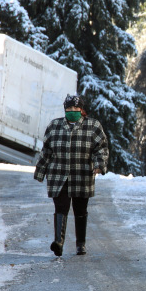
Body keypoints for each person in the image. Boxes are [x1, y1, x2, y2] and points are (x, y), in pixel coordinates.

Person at [34, 94, 108, 256]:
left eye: (75, 108)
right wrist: (40, 171)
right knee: (61, 207)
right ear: (64, 110)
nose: (72, 111)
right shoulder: (54, 126)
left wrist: (98, 165)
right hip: (58, 175)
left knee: (80, 209)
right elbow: (46, 151)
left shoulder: (93, 126)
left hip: (82, 175)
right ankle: (59, 242)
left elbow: (101, 148)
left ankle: (80, 244)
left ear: (82, 110)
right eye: (69, 109)